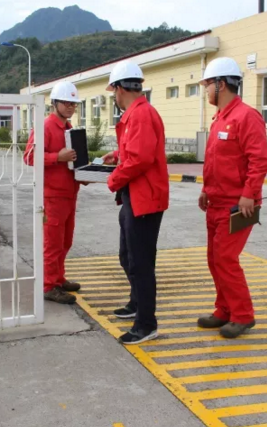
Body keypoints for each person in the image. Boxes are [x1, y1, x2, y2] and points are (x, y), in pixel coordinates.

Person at [196, 57, 267, 338]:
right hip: (216, 202)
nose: (206, 92)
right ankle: (224, 310)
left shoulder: (246, 116)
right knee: (215, 259)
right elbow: (217, 162)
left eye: (207, 86)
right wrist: (206, 189)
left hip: (239, 206)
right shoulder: (220, 119)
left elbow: (260, 161)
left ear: (221, 84)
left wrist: (249, 195)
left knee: (226, 258)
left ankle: (242, 315)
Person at [102, 61, 169, 344]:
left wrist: (113, 179)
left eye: (113, 91)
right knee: (127, 255)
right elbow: (135, 149)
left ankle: (146, 324)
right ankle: (136, 304)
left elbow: (141, 159)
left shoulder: (141, 114)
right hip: (135, 195)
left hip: (145, 199)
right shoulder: (135, 115)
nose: (113, 97)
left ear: (120, 88)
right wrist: (117, 155)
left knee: (141, 262)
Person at [24, 81, 84, 304]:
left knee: (65, 241)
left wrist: (84, 173)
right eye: (66, 102)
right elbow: (29, 156)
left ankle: (58, 278)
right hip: (53, 195)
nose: (70, 107)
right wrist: (56, 157)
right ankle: (49, 285)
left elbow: (75, 160)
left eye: (73, 103)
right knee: (53, 242)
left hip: (69, 193)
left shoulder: (69, 128)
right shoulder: (45, 126)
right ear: (55, 103)